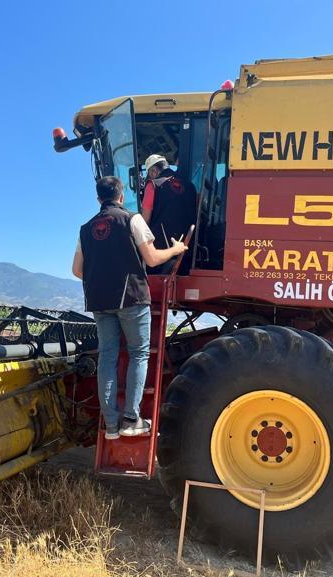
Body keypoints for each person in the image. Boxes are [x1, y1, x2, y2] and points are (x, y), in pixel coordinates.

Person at [72, 176, 187, 440]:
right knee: (138, 354)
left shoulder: (85, 228)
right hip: (132, 298)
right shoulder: (132, 219)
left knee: (108, 358)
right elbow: (152, 258)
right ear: (121, 196)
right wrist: (176, 249)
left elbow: (77, 270)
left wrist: (102, 279)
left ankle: (111, 425)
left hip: (100, 302)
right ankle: (131, 419)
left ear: (99, 198)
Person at [141, 154, 197, 274]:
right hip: (188, 251)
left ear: (154, 171)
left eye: (149, 174)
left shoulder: (153, 185)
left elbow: (145, 220)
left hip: (162, 254)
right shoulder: (191, 186)